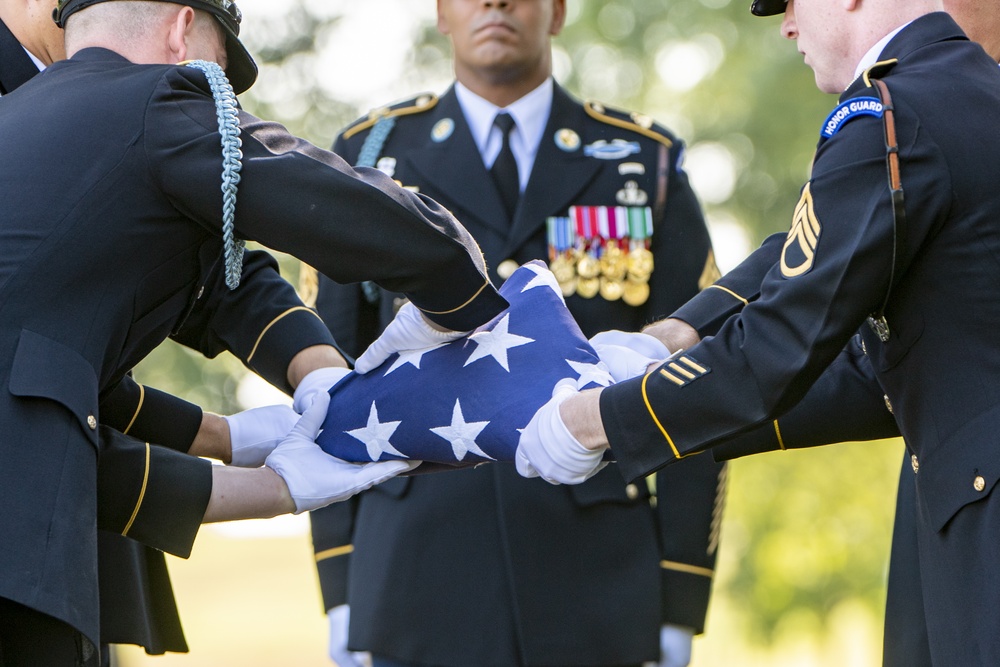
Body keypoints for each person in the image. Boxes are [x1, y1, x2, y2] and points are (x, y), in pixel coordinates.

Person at [0, 0, 508, 663]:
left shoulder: (25, 124)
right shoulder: (157, 97)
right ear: (183, 33)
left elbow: (48, 380)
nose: (223, 98)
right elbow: (364, 217)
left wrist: (240, 430)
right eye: (220, 67)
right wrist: (475, 310)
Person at [513, 0, 1000, 662]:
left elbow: (776, 349)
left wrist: (596, 421)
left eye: (793, 3)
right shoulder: (971, 94)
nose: (788, 26)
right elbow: (877, 361)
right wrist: (673, 340)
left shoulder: (891, 117)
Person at [306, 1, 725, 665]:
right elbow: (325, 379)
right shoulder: (370, 156)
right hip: (413, 579)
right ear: (441, 11)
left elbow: (699, 380)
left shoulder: (644, 163)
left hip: (599, 585)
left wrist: (680, 594)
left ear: (557, 12)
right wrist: (339, 586)